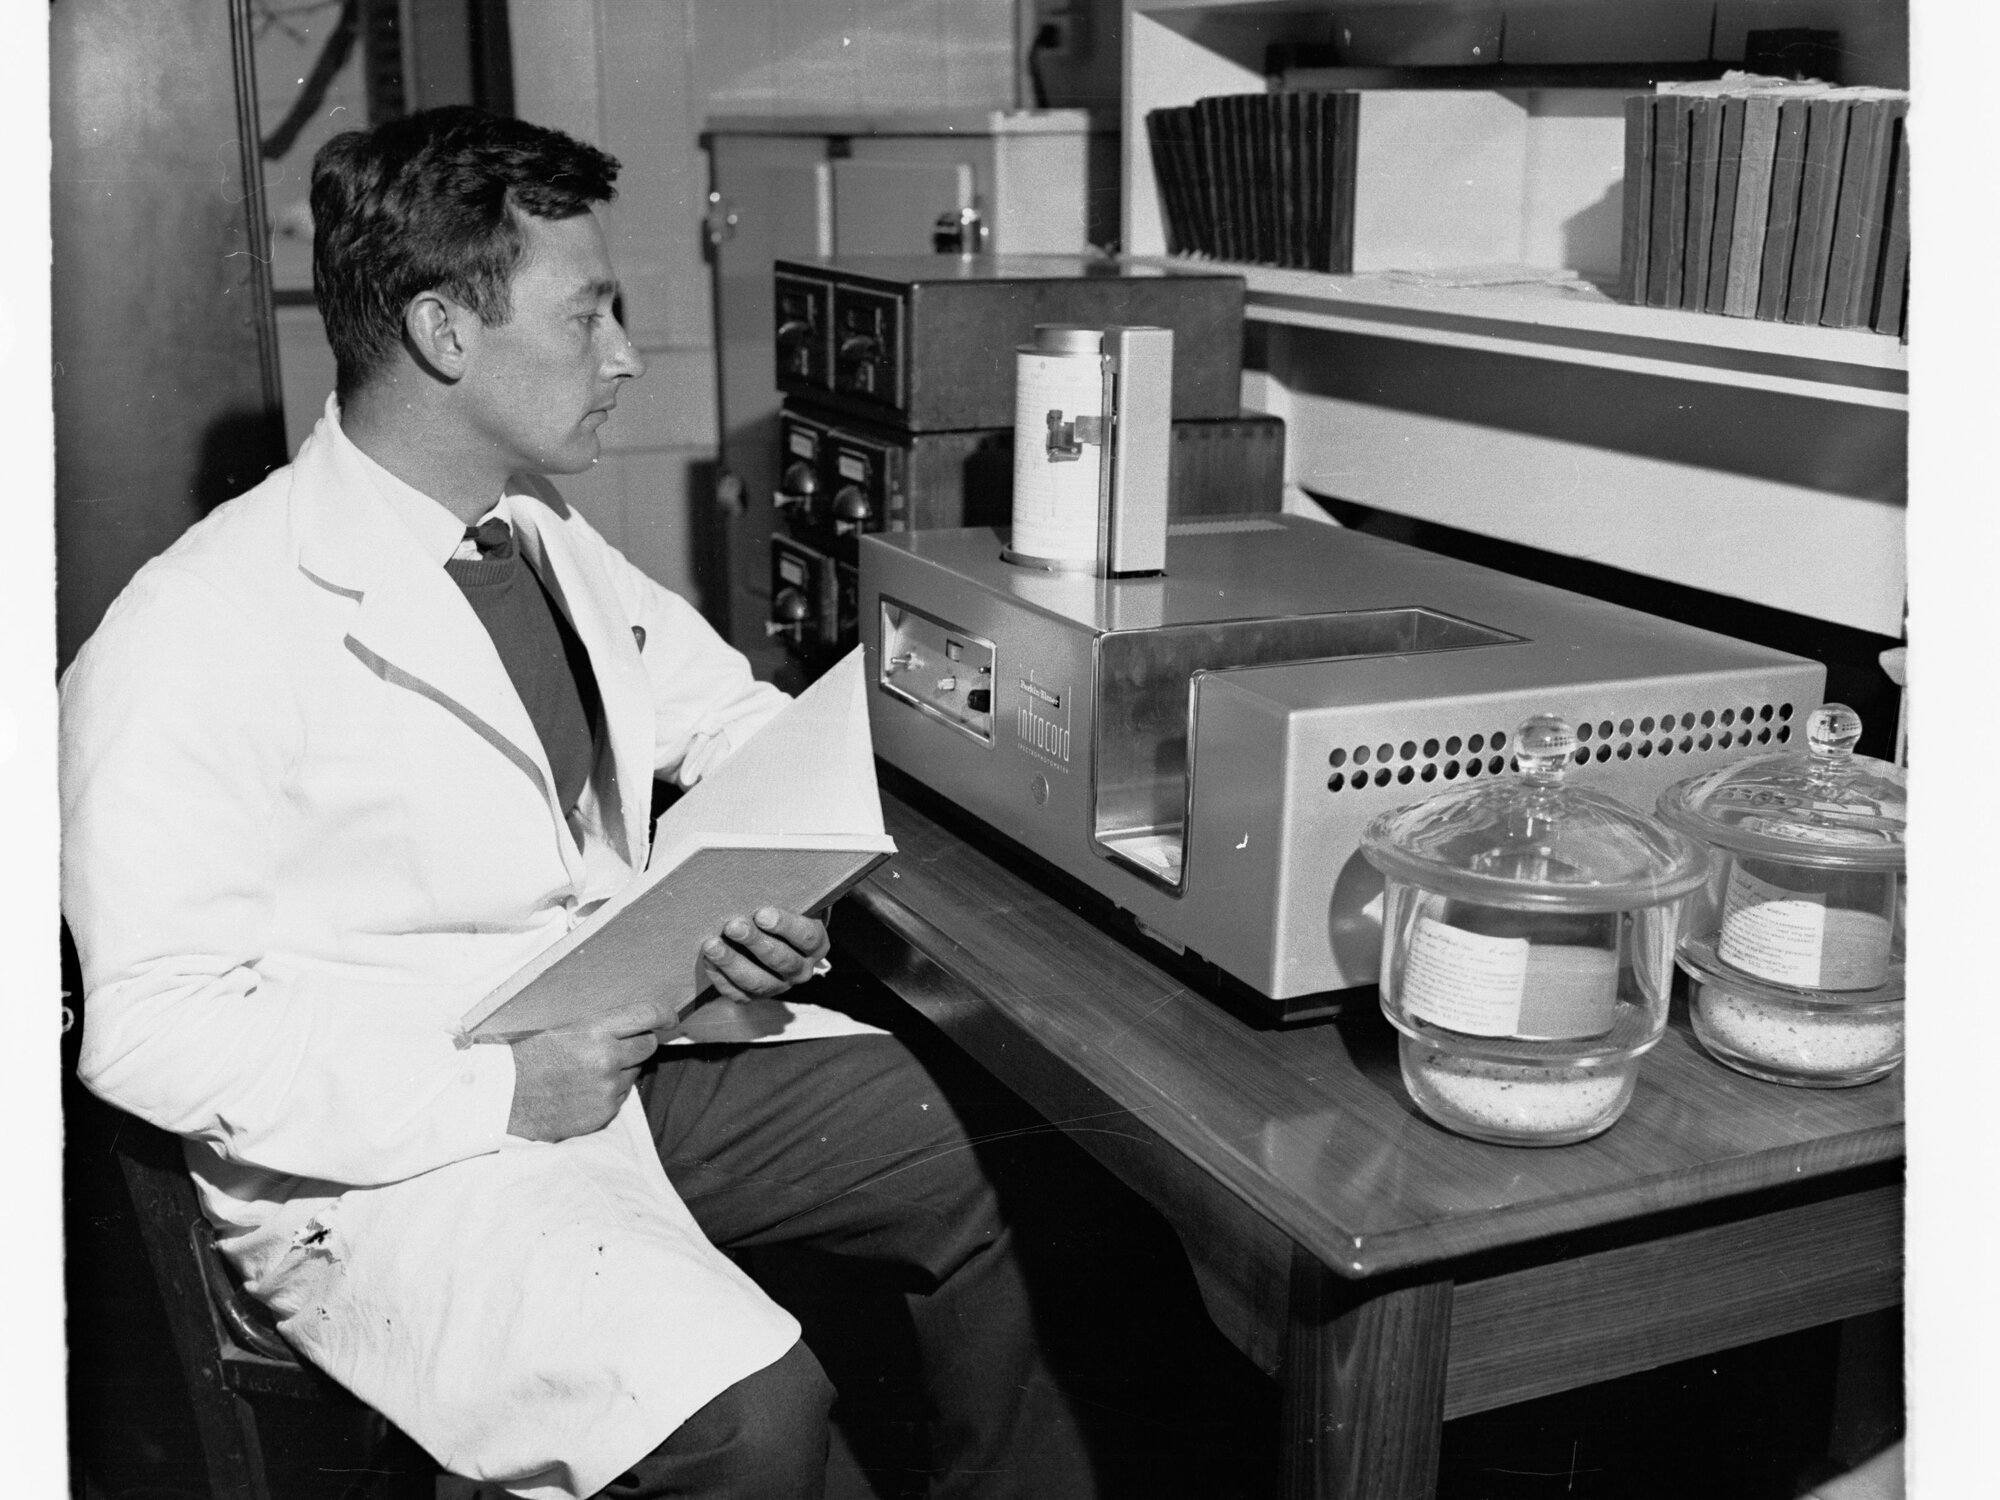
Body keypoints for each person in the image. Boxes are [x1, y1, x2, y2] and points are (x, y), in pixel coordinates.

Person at [60, 106, 1112, 1500]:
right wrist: (499, 1088)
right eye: (590, 313)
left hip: (612, 1060)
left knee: (982, 1154)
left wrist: (764, 895)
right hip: (394, 1160)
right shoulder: (191, 632)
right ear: (445, 334)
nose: (622, 356)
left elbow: (734, 722)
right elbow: (154, 1027)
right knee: (751, 1417)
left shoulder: (533, 534)